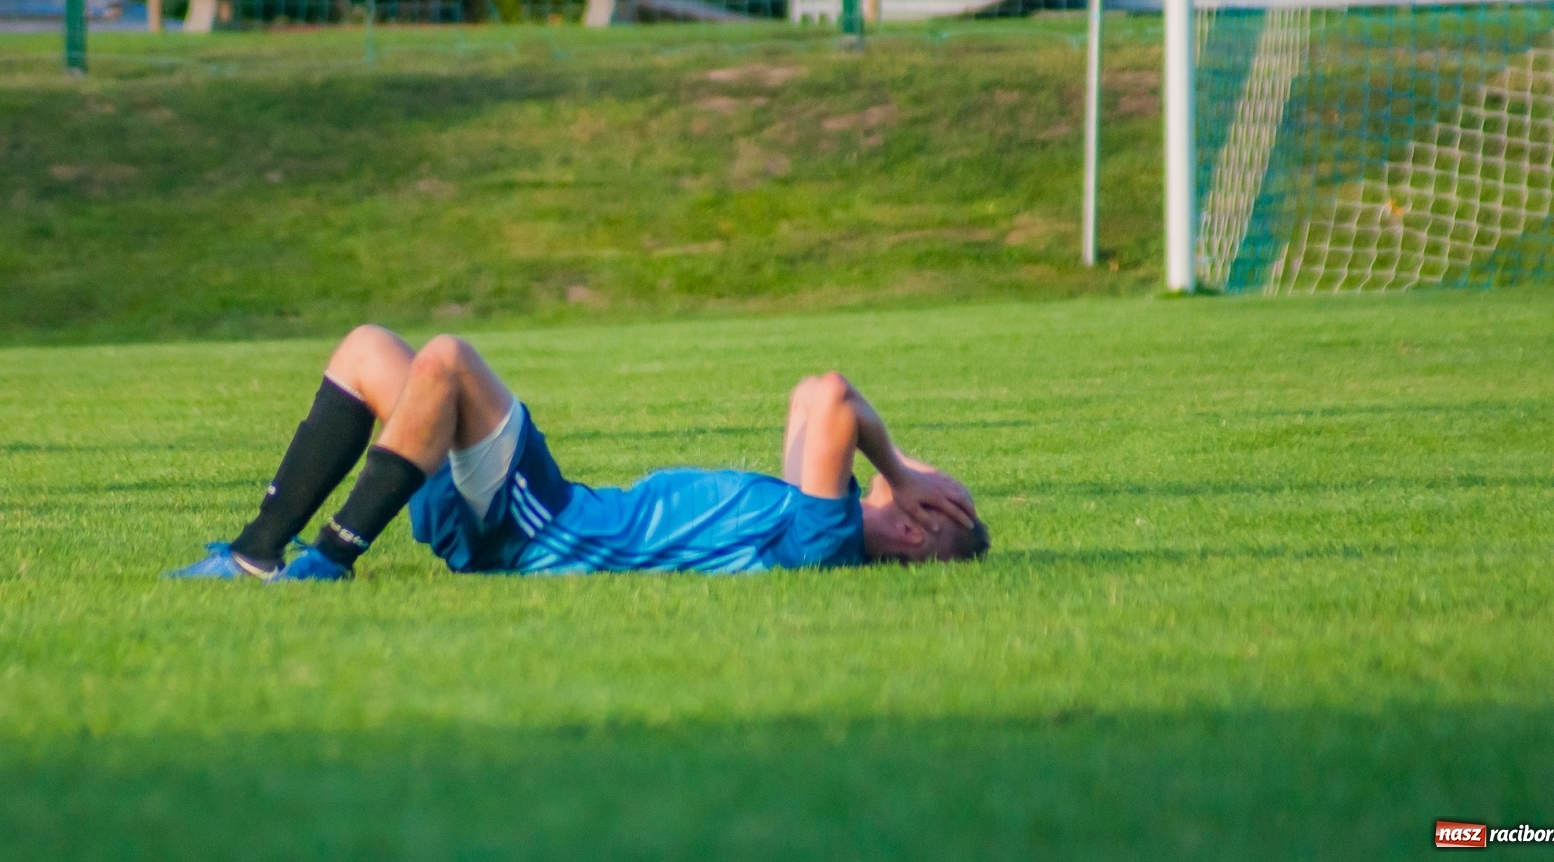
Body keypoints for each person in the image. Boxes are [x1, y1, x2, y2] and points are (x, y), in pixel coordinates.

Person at [168, 326, 988, 581]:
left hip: (548, 527)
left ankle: (327, 562)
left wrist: (898, 470)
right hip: (530, 520)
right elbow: (810, 396)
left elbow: (840, 396)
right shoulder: (811, 518)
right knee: (372, 351)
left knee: (447, 358)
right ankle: (253, 555)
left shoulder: (825, 540)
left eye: (920, 508)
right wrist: (898, 474)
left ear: (914, 535)